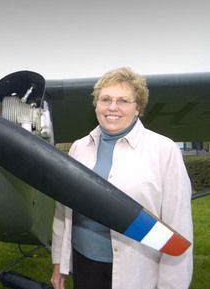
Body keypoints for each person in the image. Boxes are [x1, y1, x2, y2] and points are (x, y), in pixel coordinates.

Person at [50, 67, 193, 289]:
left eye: (123, 101)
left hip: (136, 270)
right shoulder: (79, 148)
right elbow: (63, 210)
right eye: (105, 99)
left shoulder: (164, 150)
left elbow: (178, 224)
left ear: (138, 108)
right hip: (84, 262)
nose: (112, 107)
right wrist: (59, 262)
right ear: (96, 104)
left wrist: (172, 285)